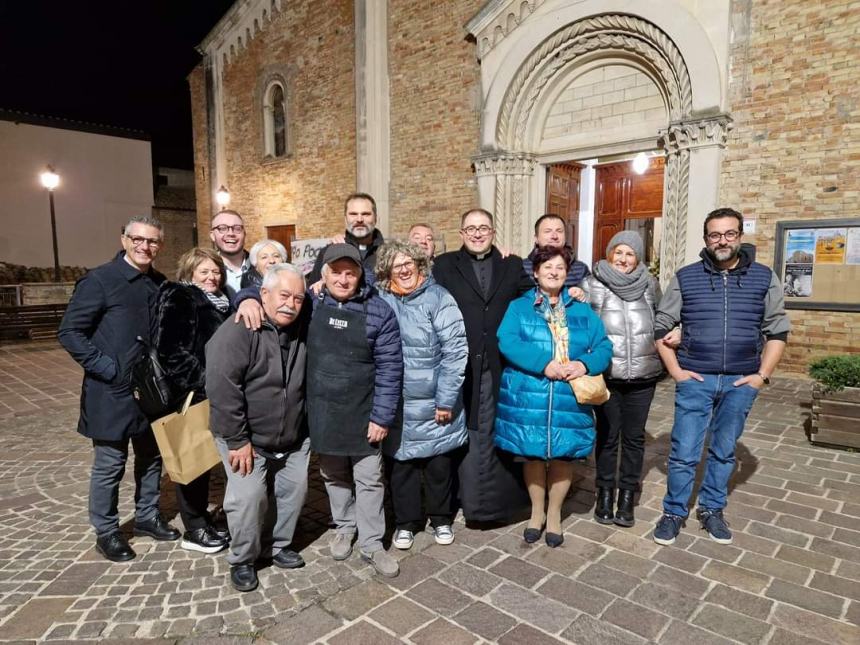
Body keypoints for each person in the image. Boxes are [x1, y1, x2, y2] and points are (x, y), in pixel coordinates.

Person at [652, 208, 789, 546]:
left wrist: (761, 376)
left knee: (724, 451)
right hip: (695, 379)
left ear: (740, 236)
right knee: (684, 450)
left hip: (740, 382)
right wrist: (676, 372)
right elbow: (660, 326)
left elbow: (778, 330)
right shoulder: (686, 277)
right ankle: (674, 511)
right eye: (715, 235)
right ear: (706, 239)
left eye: (729, 234)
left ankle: (712, 508)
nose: (722, 241)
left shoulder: (763, 277)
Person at [58, 215, 180, 562]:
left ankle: (146, 516)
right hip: (110, 392)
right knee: (110, 464)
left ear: (160, 245)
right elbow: (70, 333)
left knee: (152, 458)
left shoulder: (158, 282)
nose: (145, 246)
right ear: (124, 239)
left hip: (151, 392)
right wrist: (108, 368)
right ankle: (107, 531)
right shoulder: (100, 280)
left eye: (153, 241)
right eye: (138, 239)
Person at [495, 245, 612, 547]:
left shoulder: (583, 311)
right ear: (535, 272)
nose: (553, 272)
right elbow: (507, 341)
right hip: (530, 394)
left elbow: (603, 348)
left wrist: (583, 363)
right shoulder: (519, 307)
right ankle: (537, 513)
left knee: (562, 457)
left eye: (559, 267)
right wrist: (542, 364)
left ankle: (556, 514)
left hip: (568, 398)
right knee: (533, 456)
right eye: (547, 267)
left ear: (566, 273)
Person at [205, 264, 311, 592]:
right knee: (248, 498)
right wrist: (237, 440)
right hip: (244, 436)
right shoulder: (239, 329)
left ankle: (277, 546)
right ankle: (243, 559)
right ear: (263, 295)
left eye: (297, 298)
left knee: (292, 492)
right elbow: (222, 387)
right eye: (283, 295)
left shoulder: (302, 324)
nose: (290, 304)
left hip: (292, 433)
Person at [304, 244, 403, 577]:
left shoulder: (379, 311)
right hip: (323, 411)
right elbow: (268, 291)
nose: (343, 279)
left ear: (361, 274)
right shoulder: (308, 304)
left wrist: (381, 416)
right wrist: (245, 297)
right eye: (336, 272)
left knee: (370, 480)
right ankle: (345, 526)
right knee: (333, 475)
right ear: (323, 273)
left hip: (363, 413)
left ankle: (373, 543)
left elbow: (391, 368)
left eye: (351, 272)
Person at [433, 208, 533, 525]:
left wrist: (572, 292)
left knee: (493, 430)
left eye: (484, 228)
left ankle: (497, 505)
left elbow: (533, 299)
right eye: (471, 229)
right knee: (463, 432)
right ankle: (464, 500)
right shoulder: (445, 264)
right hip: (459, 363)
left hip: (499, 363)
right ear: (462, 233)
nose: (477, 233)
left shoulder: (512, 264)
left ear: (493, 232)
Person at [374, 241, 467, 549]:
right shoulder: (379, 299)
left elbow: (455, 351)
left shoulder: (438, 298)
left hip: (433, 401)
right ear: (387, 269)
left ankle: (440, 518)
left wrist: (445, 399)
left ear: (419, 265)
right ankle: (406, 522)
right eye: (396, 264)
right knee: (402, 467)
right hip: (396, 402)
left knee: (439, 464)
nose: (404, 269)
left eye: (409, 263)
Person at [582, 231, 663, 527]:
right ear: (609, 254)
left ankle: (627, 495)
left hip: (643, 375)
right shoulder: (592, 284)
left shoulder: (650, 284)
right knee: (607, 435)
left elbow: (663, 319)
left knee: (634, 437)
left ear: (638, 257)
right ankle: (604, 493)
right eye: (619, 252)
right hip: (607, 375)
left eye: (630, 254)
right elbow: (581, 327)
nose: (624, 259)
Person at [154, 247, 232, 554]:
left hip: (217, 393)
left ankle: (205, 521)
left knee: (207, 459)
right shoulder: (182, 297)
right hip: (195, 393)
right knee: (193, 460)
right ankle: (195, 529)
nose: (212, 277)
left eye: (215, 271)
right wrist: (204, 382)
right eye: (204, 272)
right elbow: (169, 349)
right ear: (189, 273)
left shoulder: (222, 300)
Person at [308, 193, 385, 284]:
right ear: (345, 219)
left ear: (375, 218)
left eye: (366, 214)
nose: (359, 219)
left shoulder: (388, 254)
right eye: (353, 214)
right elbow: (313, 290)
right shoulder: (329, 252)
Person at [521, 214, 590, 300]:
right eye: (548, 231)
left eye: (559, 231)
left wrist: (580, 295)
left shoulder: (580, 269)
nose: (554, 236)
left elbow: (590, 301)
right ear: (536, 238)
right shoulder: (521, 267)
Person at [210, 209, 250, 298]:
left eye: (237, 228)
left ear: (244, 234)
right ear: (212, 236)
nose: (231, 233)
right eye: (222, 228)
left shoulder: (261, 266)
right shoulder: (201, 272)